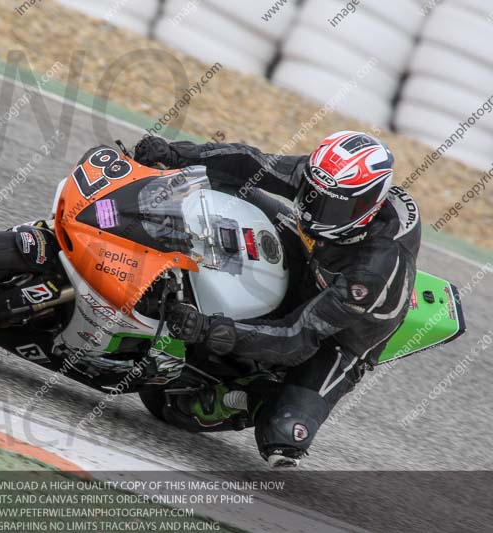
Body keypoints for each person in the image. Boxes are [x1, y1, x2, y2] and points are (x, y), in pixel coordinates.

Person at [133, 131, 421, 468]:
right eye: (312, 195)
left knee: (282, 435)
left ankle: (254, 395)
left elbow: (297, 337)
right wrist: (175, 154)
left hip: (342, 335)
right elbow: (251, 162)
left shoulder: (373, 271)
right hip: (313, 258)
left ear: (367, 205)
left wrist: (210, 330)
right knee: (228, 186)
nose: (316, 210)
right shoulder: (327, 180)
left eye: (333, 206)